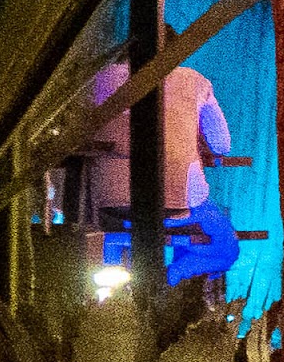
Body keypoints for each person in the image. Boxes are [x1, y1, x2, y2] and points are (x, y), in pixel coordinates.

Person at [79, 59, 243, 283]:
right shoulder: (195, 81)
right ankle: (169, 277)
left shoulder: (103, 76)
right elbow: (222, 145)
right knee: (227, 249)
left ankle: (108, 286)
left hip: (109, 202)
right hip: (176, 205)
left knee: (120, 226)